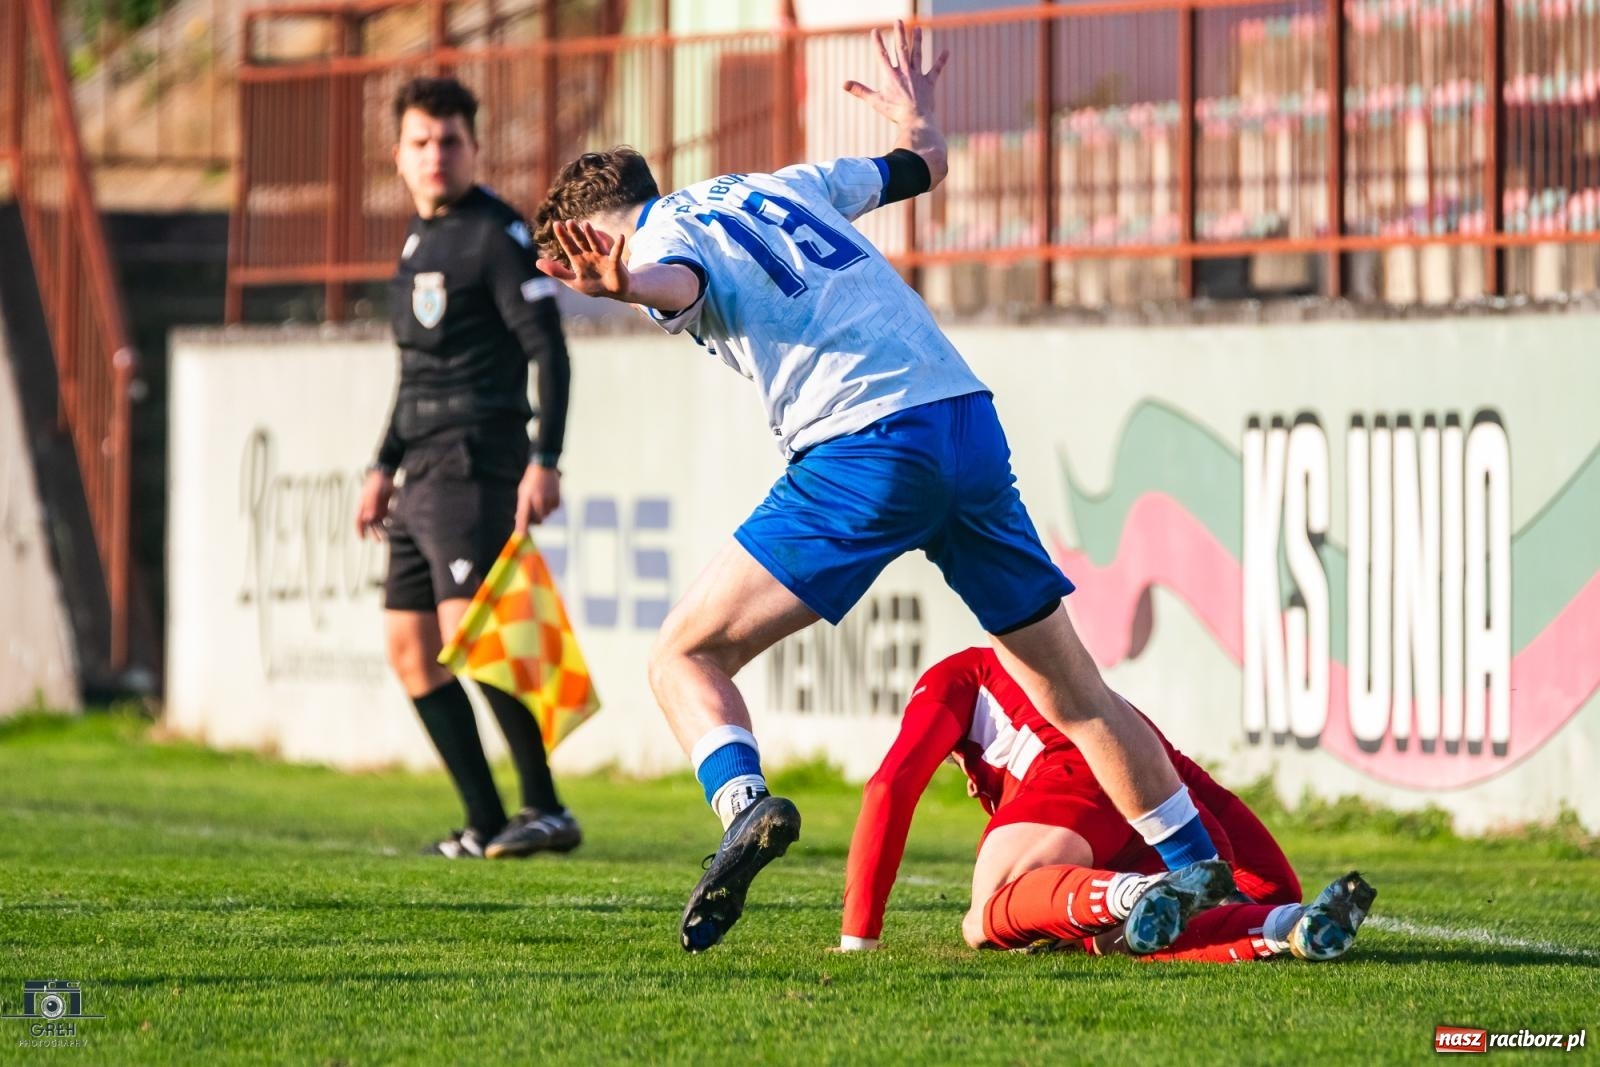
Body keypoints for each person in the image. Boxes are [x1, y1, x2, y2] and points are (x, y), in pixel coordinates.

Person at [534, 22, 1228, 952]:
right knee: (1071, 688)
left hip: (864, 445)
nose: (574, 275)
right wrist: (917, 118)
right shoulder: (786, 184)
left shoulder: (658, 235)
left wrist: (627, 282)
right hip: (964, 420)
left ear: (602, 223)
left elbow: (674, 276)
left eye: (572, 254)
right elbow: (918, 167)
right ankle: (1195, 866)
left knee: (681, 658)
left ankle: (743, 808)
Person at [355, 75, 580, 860]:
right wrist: (383, 464)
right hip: (418, 469)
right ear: (398, 156)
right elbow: (415, 369)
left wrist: (544, 458)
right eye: (420, 141)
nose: (435, 155)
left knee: (472, 633)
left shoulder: (495, 233)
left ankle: (545, 806)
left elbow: (547, 349)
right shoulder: (418, 241)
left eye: (450, 141)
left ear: (474, 148)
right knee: (412, 648)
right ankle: (486, 820)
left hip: (476, 459)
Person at [839, 647, 1377, 962]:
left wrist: (857, 937)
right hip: (1165, 803)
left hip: (1077, 772)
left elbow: (890, 786)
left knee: (985, 917)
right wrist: (1270, 895)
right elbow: (1184, 776)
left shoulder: (959, 675)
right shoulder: (1099, 699)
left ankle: (1140, 890)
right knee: (1111, 936)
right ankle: (1288, 929)